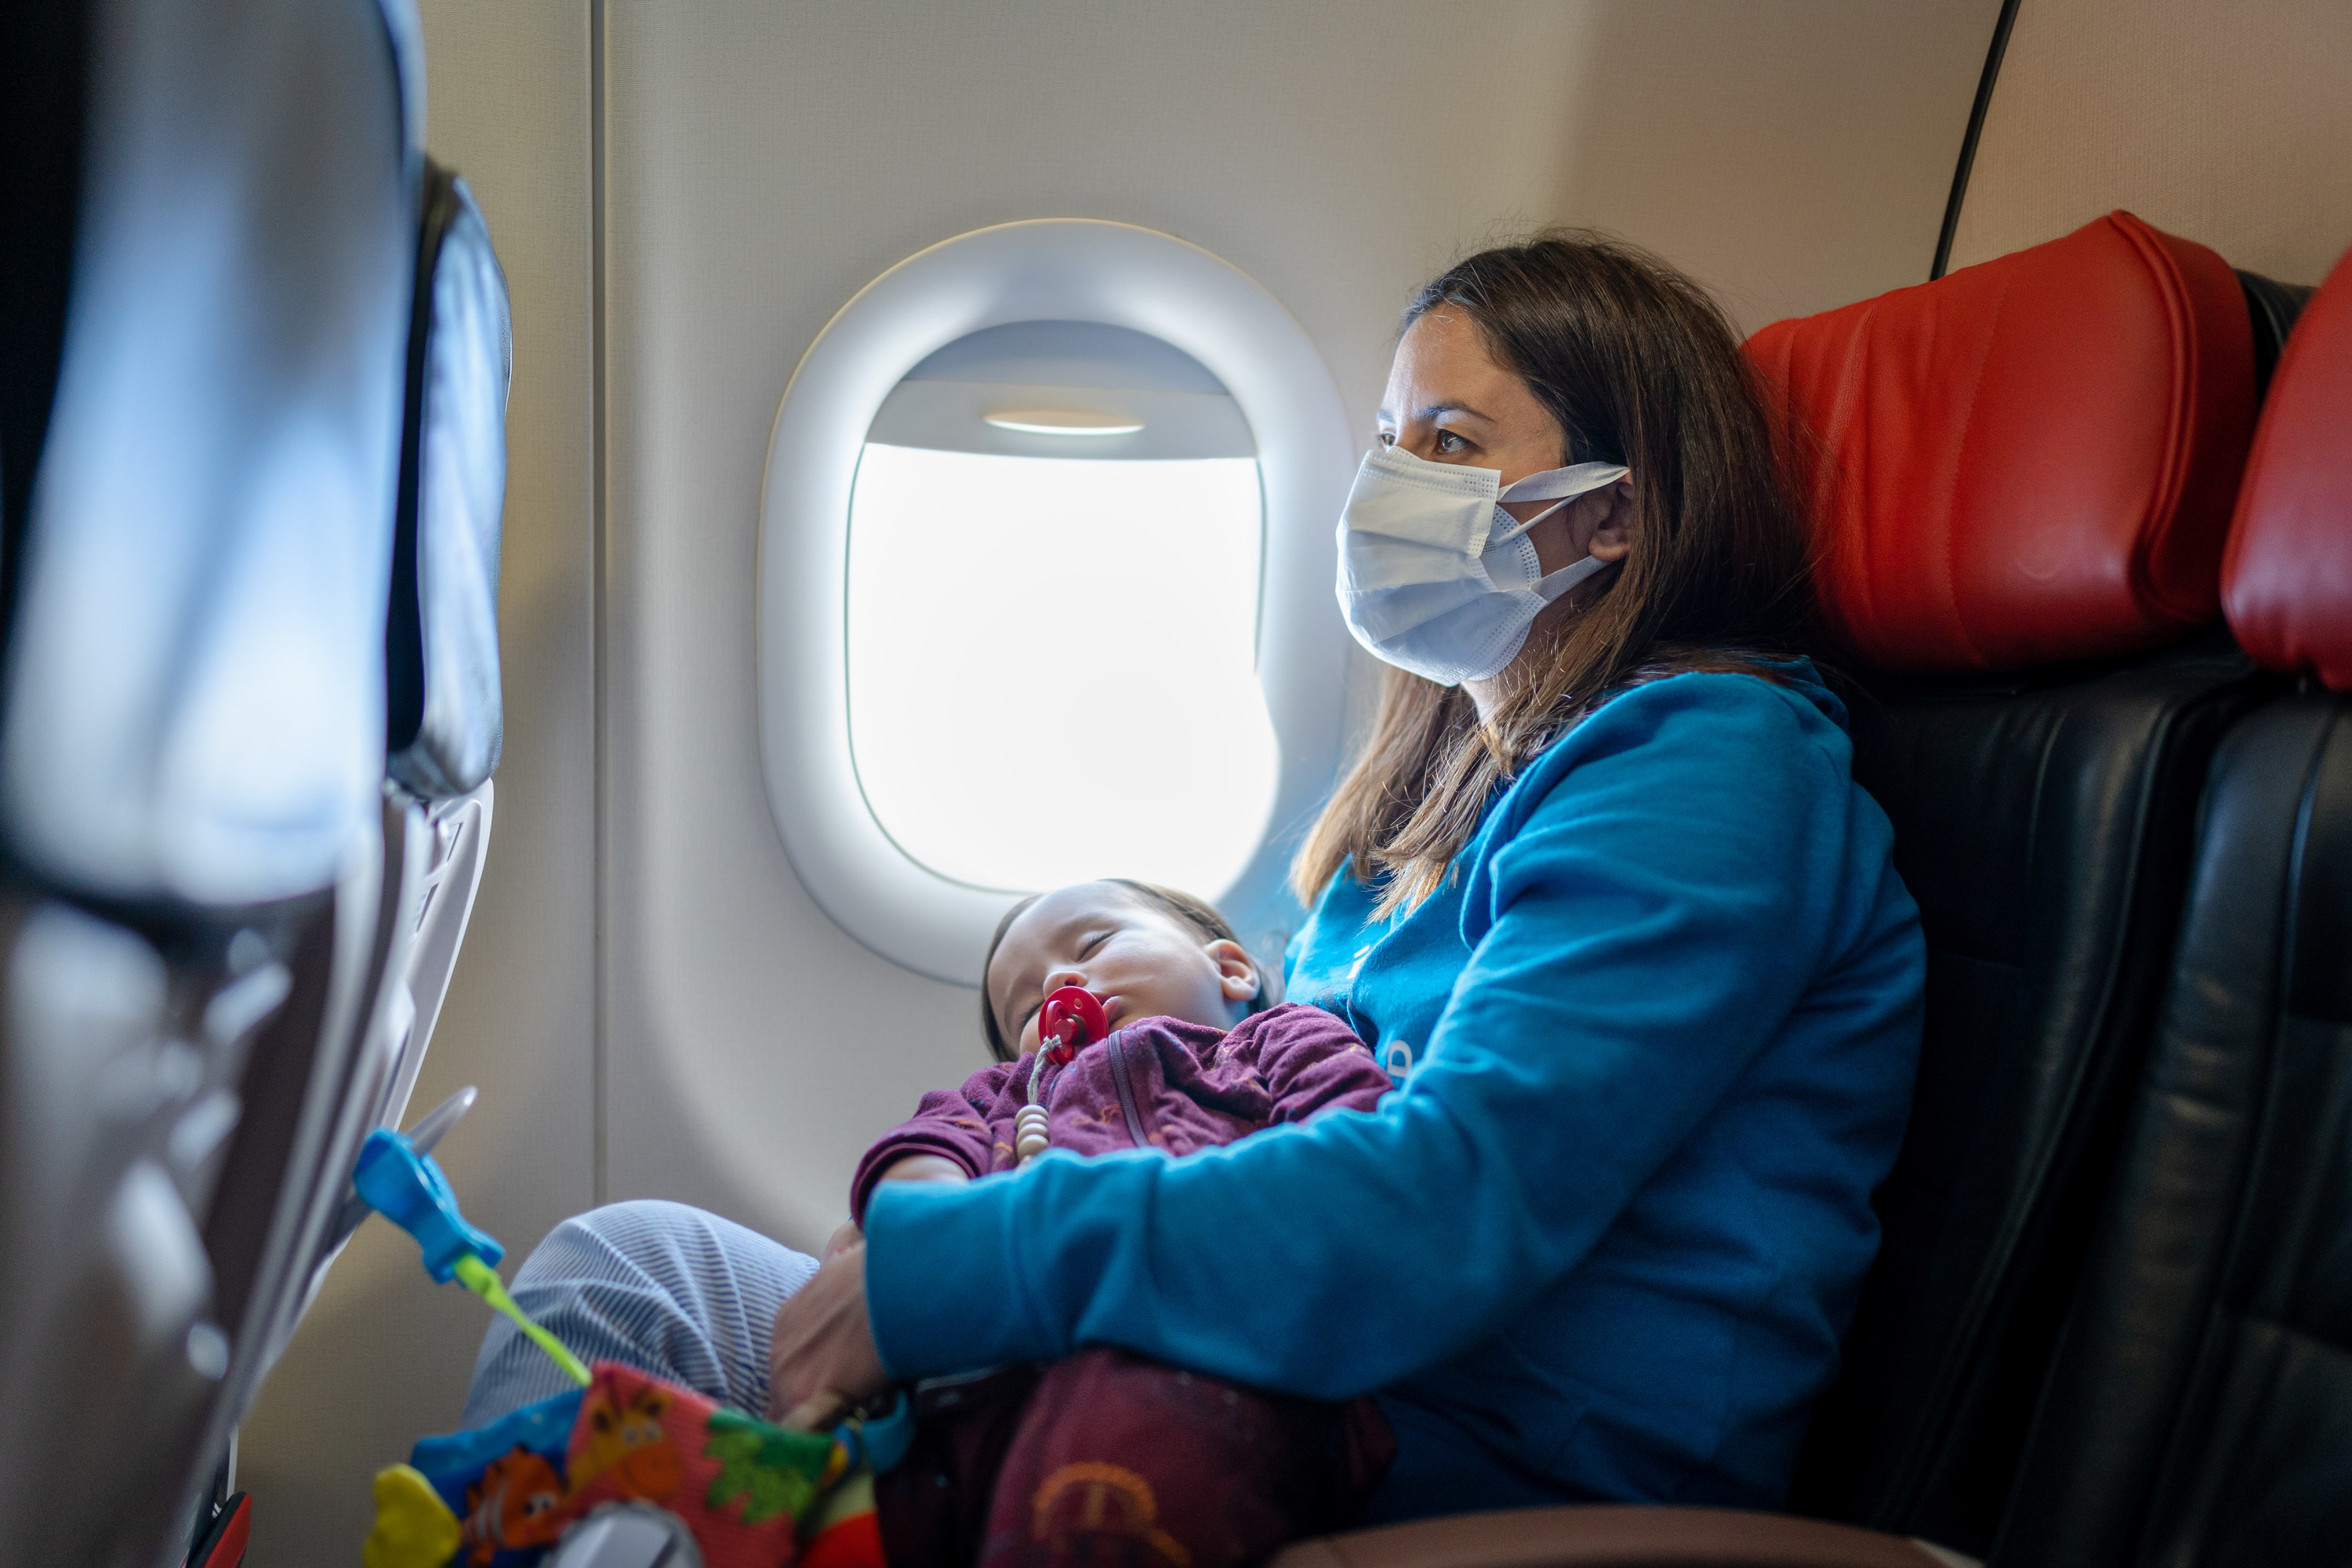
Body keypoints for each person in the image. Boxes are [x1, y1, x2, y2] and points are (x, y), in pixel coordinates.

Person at [466, 231, 1925, 1546]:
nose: (1389, 484)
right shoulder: (1429, 806)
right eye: (1384, 435)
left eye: (1452, 439)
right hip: (1294, 1360)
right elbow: (1244, 1095)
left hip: (1465, 1446)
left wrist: (963, 1267)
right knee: (627, 1274)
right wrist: (970, 1168)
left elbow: (1447, 1201)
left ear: (1613, 515)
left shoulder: (1712, 768)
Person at [844, 877, 1399, 1566]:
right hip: (981, 1393)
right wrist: (920, 1213)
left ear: (1229, 968)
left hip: (1213, 1361)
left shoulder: (1278, 1041)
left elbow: (1357, 1136)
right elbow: (926, 1144)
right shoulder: (1010, 1097)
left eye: (1096, 942)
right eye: (1025, 1005)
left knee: (1109, 1488)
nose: (1058, 983)